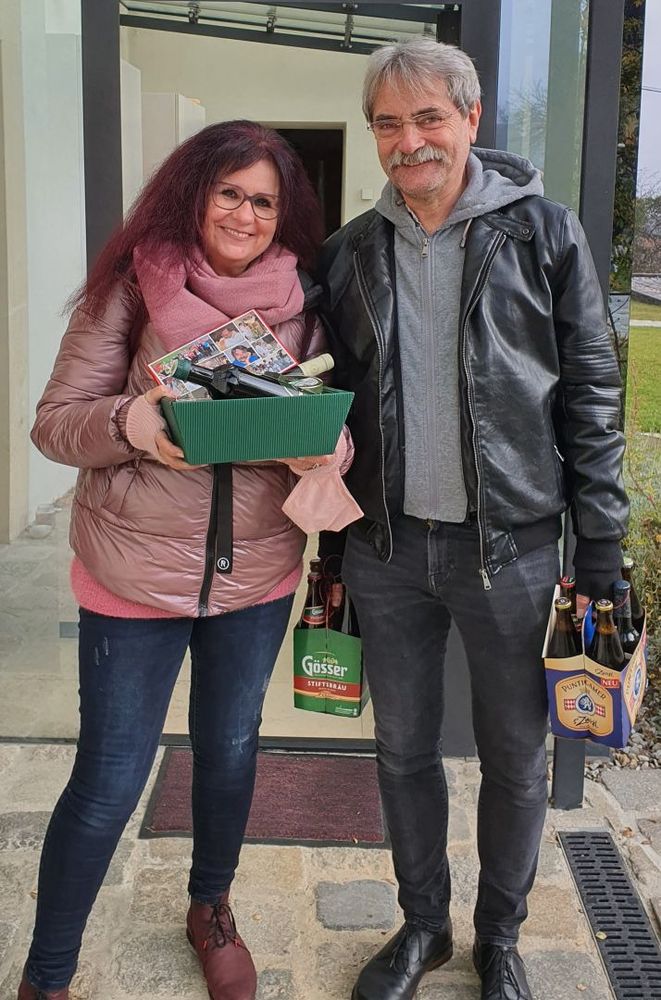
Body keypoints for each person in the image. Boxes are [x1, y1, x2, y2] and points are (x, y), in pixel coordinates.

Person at [317, 39, 628, 1000]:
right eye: (388, 124)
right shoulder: (348, 252)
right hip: (386, 550)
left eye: (427, 118)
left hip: (514, 550)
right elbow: (336, 412)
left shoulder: (542, 231)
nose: (408, 141)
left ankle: (500, 937)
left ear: (470, 119)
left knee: (515, 758)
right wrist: (331, 542)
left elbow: (592, 386)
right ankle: (423, 927)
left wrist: (601, 538)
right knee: (401, 750)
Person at [21, 120, 337, 1000]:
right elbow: (54, 423)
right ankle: (48, 975)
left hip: (256, 578)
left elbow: (330, 420)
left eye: (263, 200)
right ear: (194, 194)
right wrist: (130, 422)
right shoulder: (133, 285)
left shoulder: (304, 302)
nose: (244, 214)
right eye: (228, 193)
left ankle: (210, 908)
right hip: (131, 576)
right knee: (108, 781)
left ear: (283, 214)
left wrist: (323, 447)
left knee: (230, 751)